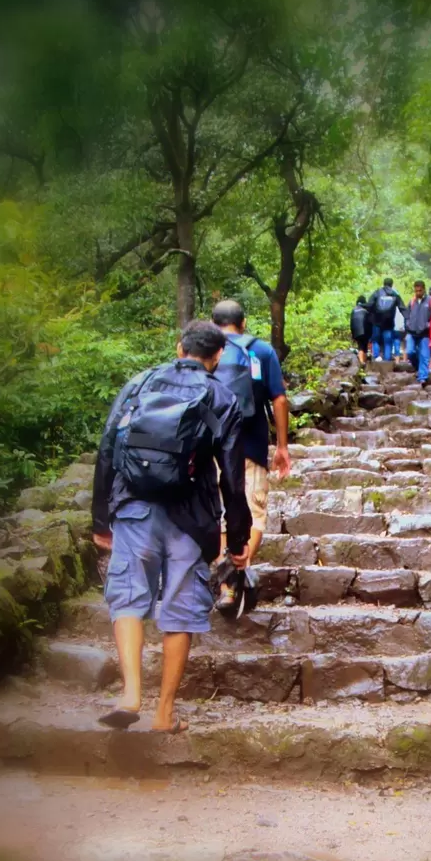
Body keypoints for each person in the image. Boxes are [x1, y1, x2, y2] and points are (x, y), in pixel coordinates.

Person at [91, 320, 251, 734]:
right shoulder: (222, 396)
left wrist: (101, 518)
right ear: (216, 357)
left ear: (179, 348)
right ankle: (164, 714)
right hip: (191, 516)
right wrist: (236, 539)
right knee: (180, 610)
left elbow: (108, 447)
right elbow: (232, 477)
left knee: (128, 597)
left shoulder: (140, 383)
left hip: (134, 506)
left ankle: (130, 694)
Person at [211, 299, 291, 610]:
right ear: (243, 323)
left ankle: (224, 582)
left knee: (219, 511)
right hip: (251, 444)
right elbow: (279, 401)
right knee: (254, 510)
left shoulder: (205, 350)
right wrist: (282, 447)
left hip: (212, 445)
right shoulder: (261, 350)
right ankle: (234, 578)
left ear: (213, 323)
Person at [404, 280, 431, 386]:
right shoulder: (412, 301)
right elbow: (407, 315)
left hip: (425, 333)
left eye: (420, 290)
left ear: (424, 289)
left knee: (425, 355)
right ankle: (419, 368)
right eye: (416, 291)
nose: (418, 293)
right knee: (410, 352)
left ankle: (422, 377)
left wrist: (427, 326)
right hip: (411, 331)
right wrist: (408, 325)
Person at [366, 278, 405, 362]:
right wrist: (408, 318)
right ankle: (387, 360)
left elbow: (369, 305)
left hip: (377, 321)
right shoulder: (395, 294)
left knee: (375, 340)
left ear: (383, 284)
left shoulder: (377, 293)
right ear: (391, 284)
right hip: (389, 322)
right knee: (388, 342)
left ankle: (376, 358)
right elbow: (402, 308)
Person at [350, 295, 370, 365]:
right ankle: (362, 362)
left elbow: (351, 323)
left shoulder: (354, 310)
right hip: (365, 330)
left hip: (356, 331)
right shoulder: (366, 310)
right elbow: (369, 322)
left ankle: (362, 362)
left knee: (360, 346)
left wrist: (353, 334)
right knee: (364, 347)